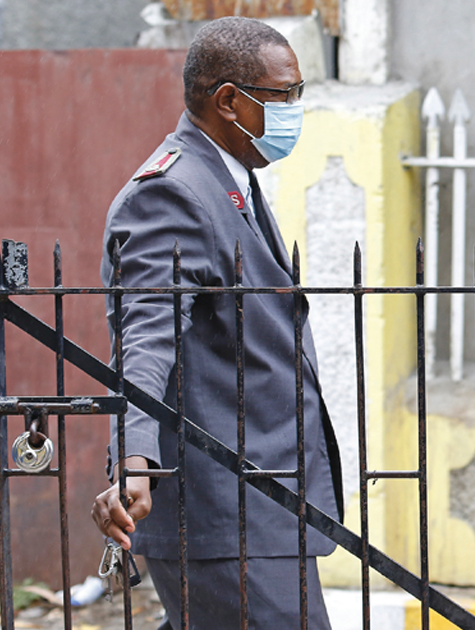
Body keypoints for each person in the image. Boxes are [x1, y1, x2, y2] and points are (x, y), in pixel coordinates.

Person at [89, 17, 342, 630]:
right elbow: (145, 336)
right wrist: (133, 458)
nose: (295, 111)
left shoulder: (230, 182)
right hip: (227, 510)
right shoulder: (173, 192)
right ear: (229, 100)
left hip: (263, 502)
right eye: (285, 95)